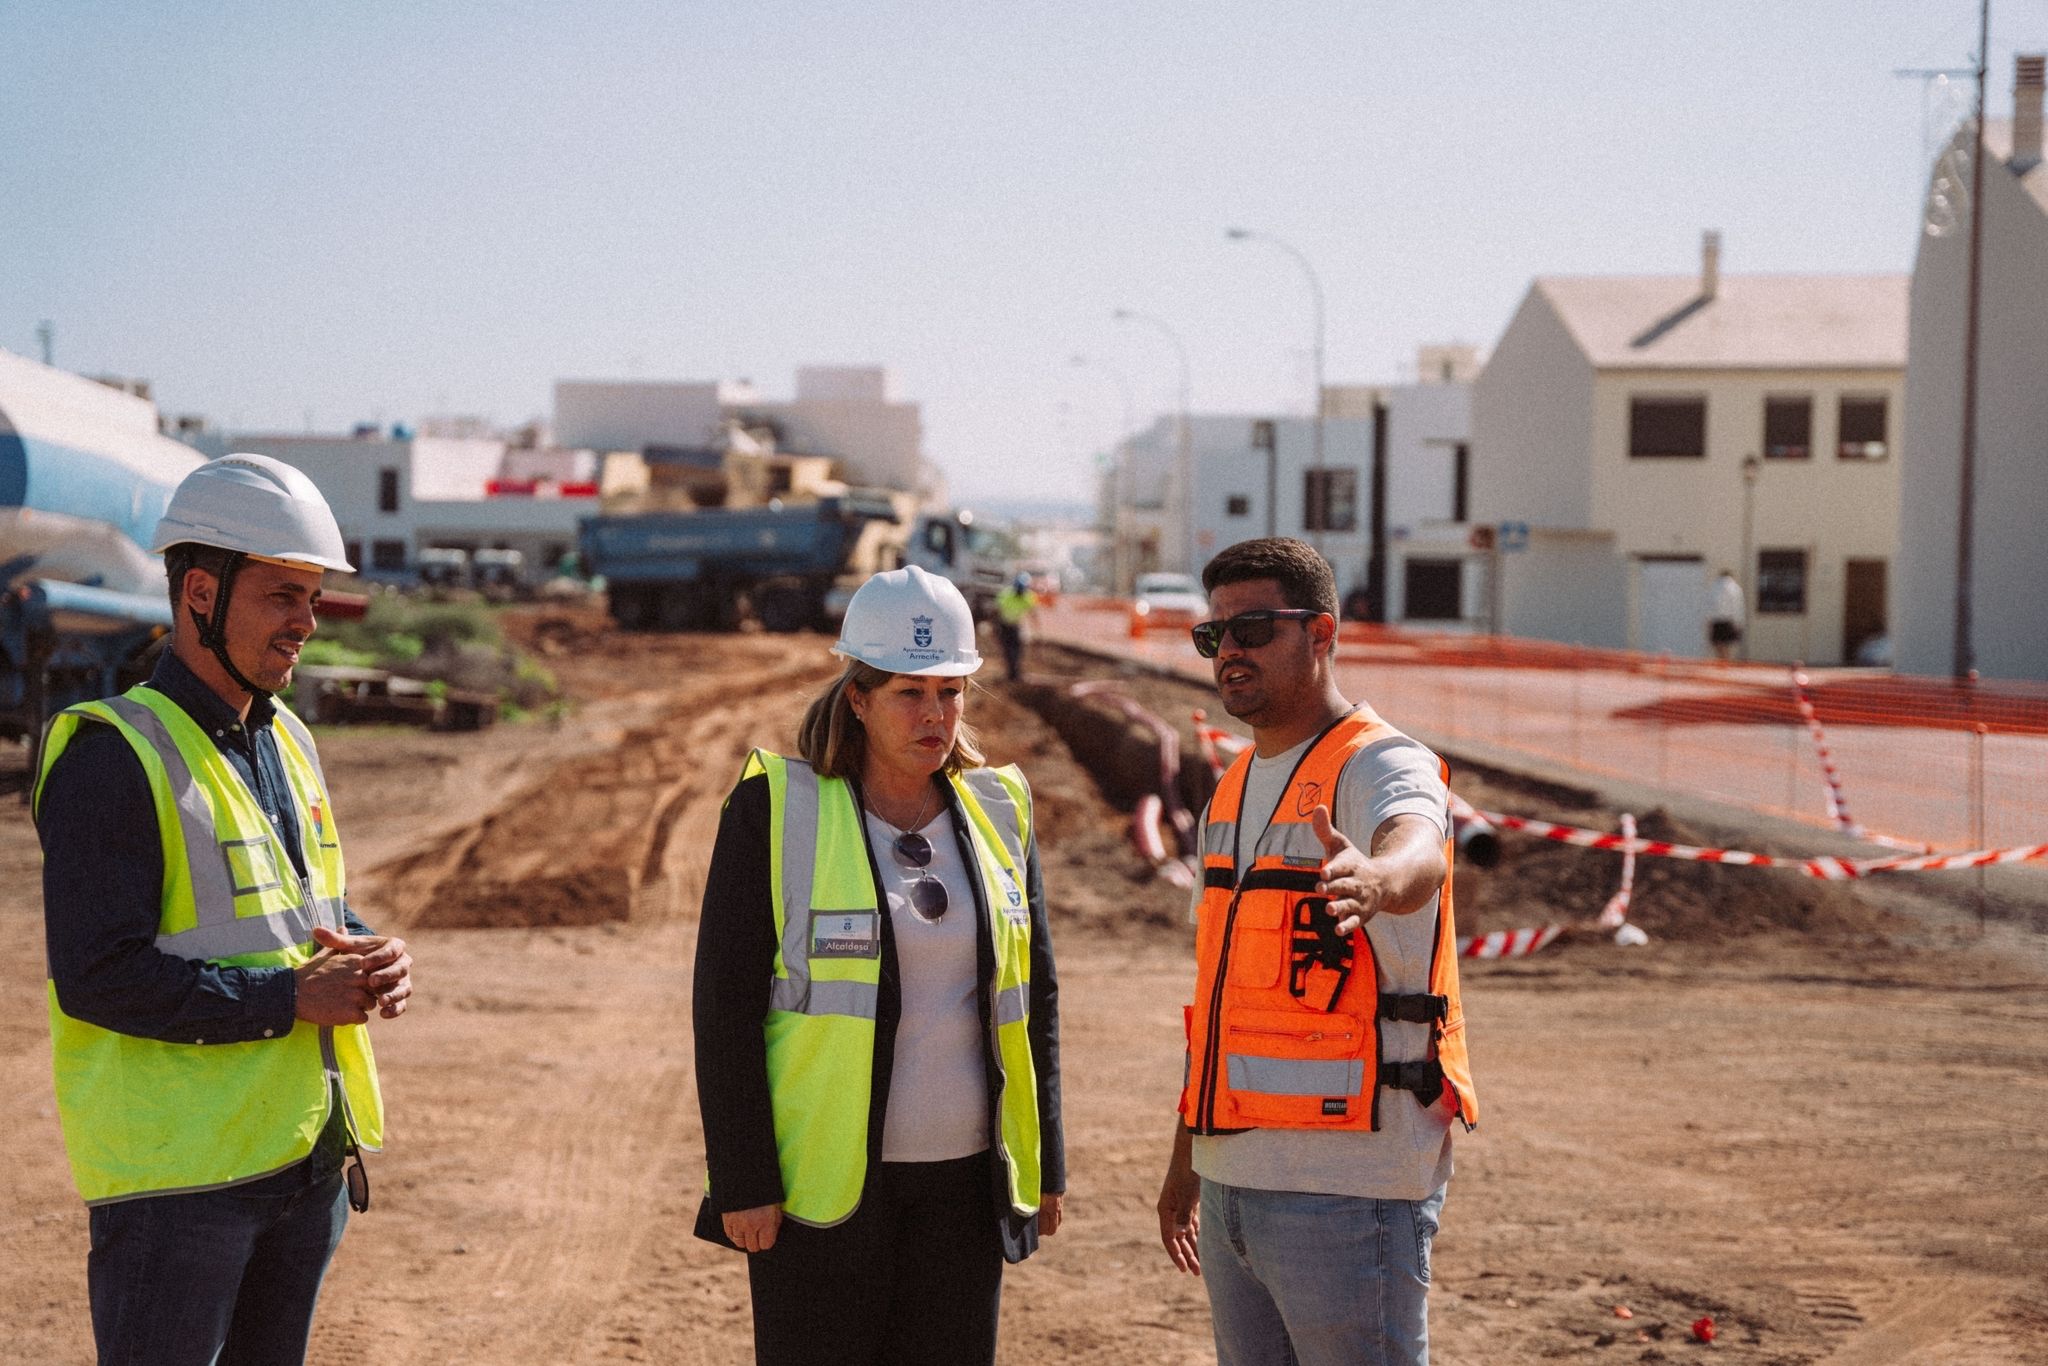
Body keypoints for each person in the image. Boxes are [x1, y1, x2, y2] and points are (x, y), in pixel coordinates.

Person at [34, 452, 413, 1366]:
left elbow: (298, 909)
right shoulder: (113, 755)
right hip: (181, 1191)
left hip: (304, 1162)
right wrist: (290, 1001)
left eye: (313, 598)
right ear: (200, 592)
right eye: (283, 596)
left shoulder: (287, 738)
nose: (306, 623)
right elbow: (96, 979)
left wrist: (365, 951)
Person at [693, 563, 1066, 1366]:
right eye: (909, 693)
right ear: (857, 698)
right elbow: (722, 1009)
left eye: (951, 691)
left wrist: (1049, 1162)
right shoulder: (779, 809)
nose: (935, 715)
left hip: (965, 1187)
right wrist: (742, 1179)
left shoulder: (1001, 807)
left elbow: (1034, 996)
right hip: (821, 1192)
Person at [1154, 537, 1477, 1366]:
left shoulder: (1377, 762)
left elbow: (1421, 848)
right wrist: (1189, 1158)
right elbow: (1226, 1000)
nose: (1230, 651)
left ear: (1321, 632)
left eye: (1254, 628)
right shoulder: (1231, 788)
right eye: (1214, 635)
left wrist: (1374, 879)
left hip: (1348, 1191)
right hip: (1233, 1183)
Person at [994, 571, 1039, 681]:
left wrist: (1036, 626)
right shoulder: (1006, 594)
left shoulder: (1028, 597)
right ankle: (1011, 673)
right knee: (1008, 650)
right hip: (1004, 625)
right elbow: (996, 611)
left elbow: (1032, 612)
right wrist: (995, 627)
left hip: (1015, 625)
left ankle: (1015, 672)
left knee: (1018, 649)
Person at [1709, 568, 1745, 661]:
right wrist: (1739, 622)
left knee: (1718, 644)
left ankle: (1721, 662)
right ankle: (1726, 664)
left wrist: (1709, 621)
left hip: (1716, 620)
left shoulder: (1713, 587)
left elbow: (1709, 605)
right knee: (1727, 645)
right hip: (1729, 620)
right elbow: (1737, 606)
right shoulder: (1735, 588)